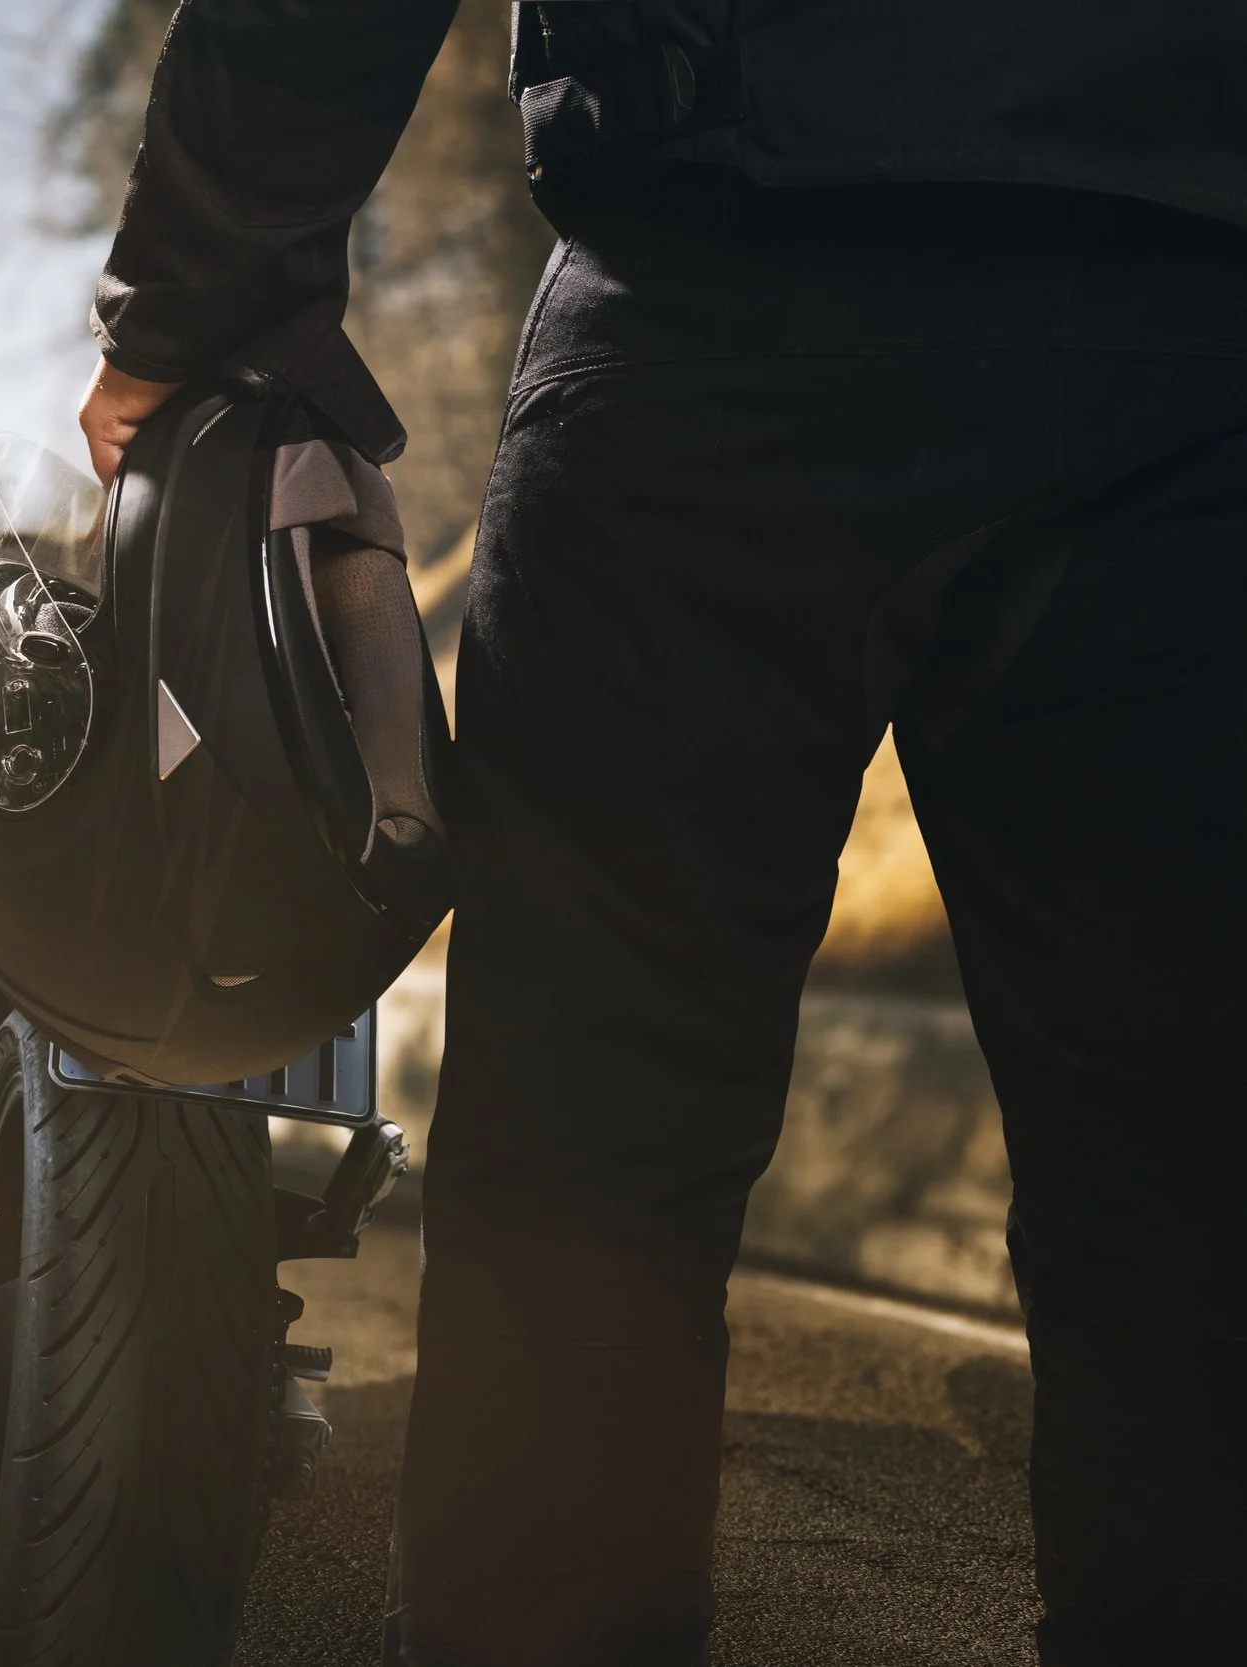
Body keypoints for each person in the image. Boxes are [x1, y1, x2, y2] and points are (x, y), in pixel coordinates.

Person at [76, 4, 1247, 1663]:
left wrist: (192, 302)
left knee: (595, 1148)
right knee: (1191, 1170)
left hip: (724, 297)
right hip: (1190, 334)